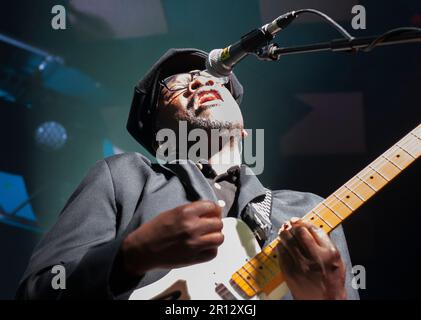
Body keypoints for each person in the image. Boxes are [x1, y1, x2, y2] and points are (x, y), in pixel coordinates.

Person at [16, 48, 359, 300]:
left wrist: (332, 296)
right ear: (159, 136)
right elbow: (37, 292)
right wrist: (128, 256)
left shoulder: (308, 212)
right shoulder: (124, 177)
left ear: (240, 122)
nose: (198, 82)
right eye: (177, 85)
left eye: (211, 78)